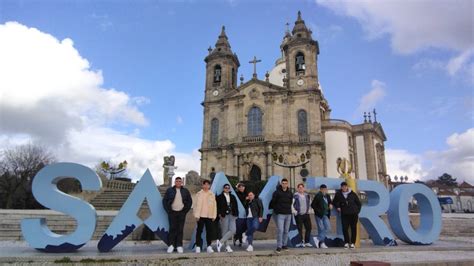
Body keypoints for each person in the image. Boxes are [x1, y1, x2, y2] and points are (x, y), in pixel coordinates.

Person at [333, 181, 361, 249]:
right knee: (345, 228)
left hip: (353, 214)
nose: (344, 187)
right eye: (342, 186)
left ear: (347, 187)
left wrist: (357, 211)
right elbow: (335, 202)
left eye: (345, 186)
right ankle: (346, 242)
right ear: (341, 187)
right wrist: (338, 207)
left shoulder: (353, 194)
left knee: (353, 228)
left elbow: (359, 203)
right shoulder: (338, 194)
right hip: (344, 214)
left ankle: (353, 243)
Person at [193, 179, 217, 253]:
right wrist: (196, 215)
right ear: (202, 185)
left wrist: (214, 216)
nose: (206, 186)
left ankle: (209, 246)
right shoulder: (198, 194)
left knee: (209, 231)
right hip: (200, 216)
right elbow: (195, 205)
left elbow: (214, 206)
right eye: (205, 184)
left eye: (208, 184)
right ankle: (198, 246)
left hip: (209, 216)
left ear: (209, 186)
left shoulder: (212, 194)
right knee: (199, 231)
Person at [270, 178, 293, 253]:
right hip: (280, 214)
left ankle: (284, 245)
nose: (284, 184)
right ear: (281, 184)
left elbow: (290, 202)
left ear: (287, 184)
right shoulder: (276, 192)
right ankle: (279, 246)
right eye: (283, 183)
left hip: (288, 214)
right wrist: (277, 210)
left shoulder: (290, 193)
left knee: (286, 231)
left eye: (286, 183)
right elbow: (273, 202)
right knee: (280, 230)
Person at [215, 184, 239, 253]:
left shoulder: (233, 196)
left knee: (233, 230)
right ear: (223, 189)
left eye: (228, 188)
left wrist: (236, 214)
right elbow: (217, 207)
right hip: (224, 215)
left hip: (232, 215)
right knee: (224, 231)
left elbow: (236, 206)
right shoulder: (219, 197)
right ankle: (227, 247)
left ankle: (220, 242)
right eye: (226, 188)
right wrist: (219, 214)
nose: (227, 189)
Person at [311, 184, 332, 249]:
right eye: (323, 189)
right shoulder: (318, 196)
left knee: (328, 228)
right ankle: (322, 243)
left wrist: (331, 204)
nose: (324, 191)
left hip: (326, 215)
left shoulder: (328, 196)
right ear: (320, 190)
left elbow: (330, 202)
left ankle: (317, 239)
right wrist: (318, 211)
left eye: (325, 189)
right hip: (319, 215)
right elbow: (313, 205)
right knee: (321, 229)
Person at [293, 183, 312, 248]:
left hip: (306, 214)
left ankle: (307, 242)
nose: (301, 189)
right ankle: (301, 242)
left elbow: (309, 203)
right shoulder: (295, 196)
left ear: (304, 188)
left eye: (302, 187)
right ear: (298, 189)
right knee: (299, 229)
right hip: (299, 215)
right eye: (299, 187)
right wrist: (294, 211)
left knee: (309, 228)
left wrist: (309, 210)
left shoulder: (307, 195)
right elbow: (291, 205)